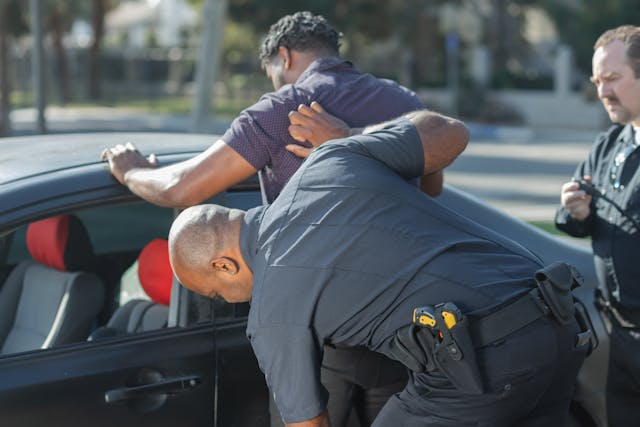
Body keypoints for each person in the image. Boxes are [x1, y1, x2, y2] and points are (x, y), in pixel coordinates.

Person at [101, 11, 442, 426]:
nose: (275, 85)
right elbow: (431, 192)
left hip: (316, 326)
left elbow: (183, 188)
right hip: (399, 323)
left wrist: (131, 170)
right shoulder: (405, 103)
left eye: (273, 74)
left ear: (284, 56)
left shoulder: (286, 109)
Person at [169, 110, 588, 427]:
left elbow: (306, 423)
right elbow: (450, 131)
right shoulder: (328, 161)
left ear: (223, 264)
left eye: (216, 293)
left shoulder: (270, 311)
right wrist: (349, 137)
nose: (227, 300)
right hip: (558, 318)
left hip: (484, 362)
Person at [555, 25, 640, 427]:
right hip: (617, 332)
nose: (602, 91)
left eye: (612, 79)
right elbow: (575, 222)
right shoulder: (609, 144)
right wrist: (576, 211)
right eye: (597, 81)